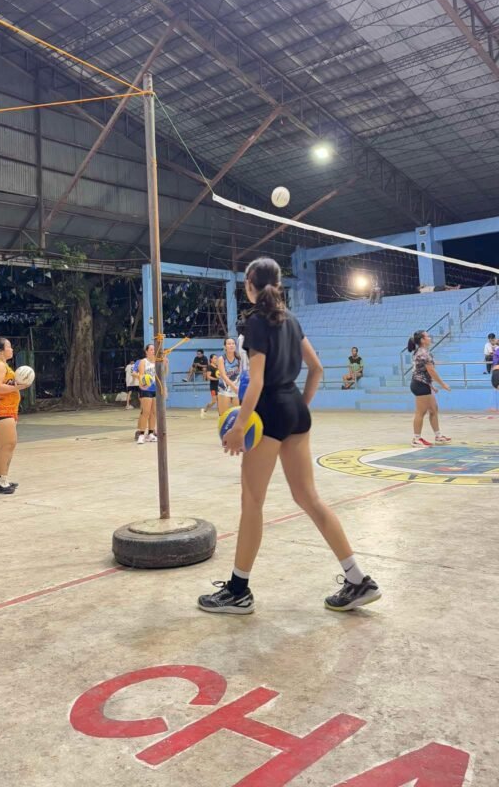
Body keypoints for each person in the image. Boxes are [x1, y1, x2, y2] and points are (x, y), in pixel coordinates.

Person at [198, 256, 381, 616]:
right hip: (295, 409)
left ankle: (238, 592)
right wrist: (299, 406)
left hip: (268, 413)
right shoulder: (292, 320)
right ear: (279, 285)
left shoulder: (255, 322)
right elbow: (317, 368)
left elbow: (257, 381)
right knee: (309, 498)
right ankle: (358, 579)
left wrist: (239, 427)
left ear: (249, 286)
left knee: (252, 502)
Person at [0, 338, 29, 495]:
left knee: (2, 445)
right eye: (9, 347)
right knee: (9, 444)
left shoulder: (3, 365)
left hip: (7, 409)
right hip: (2, 409)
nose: (12, 349)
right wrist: (18, 387)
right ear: (0, 350)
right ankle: (2, 481)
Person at [407, 330, 451, 447]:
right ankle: (416, 439)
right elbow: (431, 371)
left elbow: (421, 371)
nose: (430, 338)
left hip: (424, 384)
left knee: (433, 410)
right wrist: (442, 384)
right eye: (428, 336)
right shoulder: (423, 353)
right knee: (420, 412)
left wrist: (431, 385)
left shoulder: (423, 352)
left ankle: (438, 436)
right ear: (422, 340)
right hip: (419, 385)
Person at [136, 344, 168, 445]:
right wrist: (143, 384)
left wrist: (165, 364)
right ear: (146, 351)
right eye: (151, 349)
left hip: (156, 389)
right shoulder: (143, 362)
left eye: (154, 349)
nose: (153, 351)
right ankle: (141, 434)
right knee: (146, 412)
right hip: (146, 388)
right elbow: (141, 375)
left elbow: (164, 374)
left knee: (154, 412)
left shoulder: (158, 361)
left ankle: (150, 433)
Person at [216, 337, 242, 416]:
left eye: (233, 344)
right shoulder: (221, 359)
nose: (231, 345)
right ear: (225, 347)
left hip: (237, 388)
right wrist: (233, 387)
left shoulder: (239, 359)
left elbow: (242, 374)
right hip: (224, 389)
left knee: (238, 415)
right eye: (229, 344)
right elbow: (223, 376)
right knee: (223, 416)